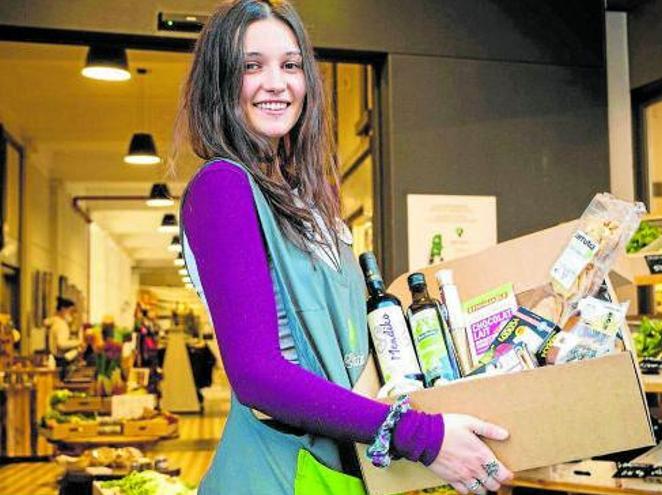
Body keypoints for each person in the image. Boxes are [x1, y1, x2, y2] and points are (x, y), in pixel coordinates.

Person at [174, 1, 513, 494]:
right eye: (251, 66)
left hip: (334, 465)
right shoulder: (223, 188)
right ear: (220, 81)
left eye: (291, 65)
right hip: (283, 473)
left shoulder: (295, 195)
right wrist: (420, 435)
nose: (276, 82)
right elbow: (258, 375)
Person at [47, 297, 81, 377]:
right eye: (71, 312)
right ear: (63, 310)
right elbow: (61, 344)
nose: (73, 315)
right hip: (60, 361)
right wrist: (78, 342)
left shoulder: (55, 322)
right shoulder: (61, 325)